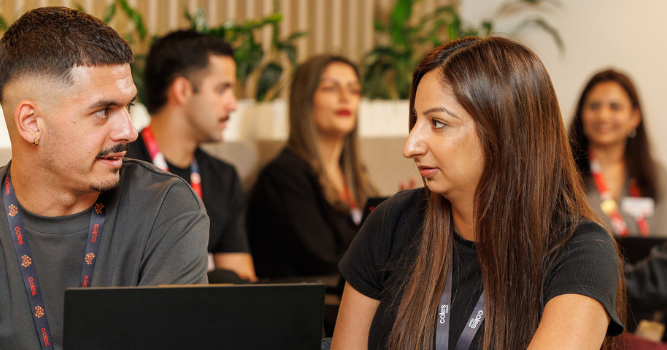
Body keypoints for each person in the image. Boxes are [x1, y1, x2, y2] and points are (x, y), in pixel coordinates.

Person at [0, 7, 209, 350]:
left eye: (129, 107)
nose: (128, 131)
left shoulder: (166, 209)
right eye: (103, 111)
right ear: (31, 123)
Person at [332, 37, 625, 350]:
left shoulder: (581, 252)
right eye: (416, 120)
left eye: (437, 123)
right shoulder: (393, 222)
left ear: (502, 130)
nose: (411, 146)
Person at [125, 30, 256, 282]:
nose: (233, 104)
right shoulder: (120, 167)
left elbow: (241, 282)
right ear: (183, 90)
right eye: (222, 89)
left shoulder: (223, 176)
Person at [247, 55, 379, 279]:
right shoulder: (283, 176)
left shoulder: (355, 174)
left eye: (354, 90)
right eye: (330, 88)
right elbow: (323, 261)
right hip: (307, 308)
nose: (345, 98)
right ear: (305, 100)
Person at [568, 69, 667, 237]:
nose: (603, 116)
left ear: (634, 117)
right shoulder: (565, 173)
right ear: (581, 115)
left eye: (615, 107)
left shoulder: (655, 175)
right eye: (594, 106)